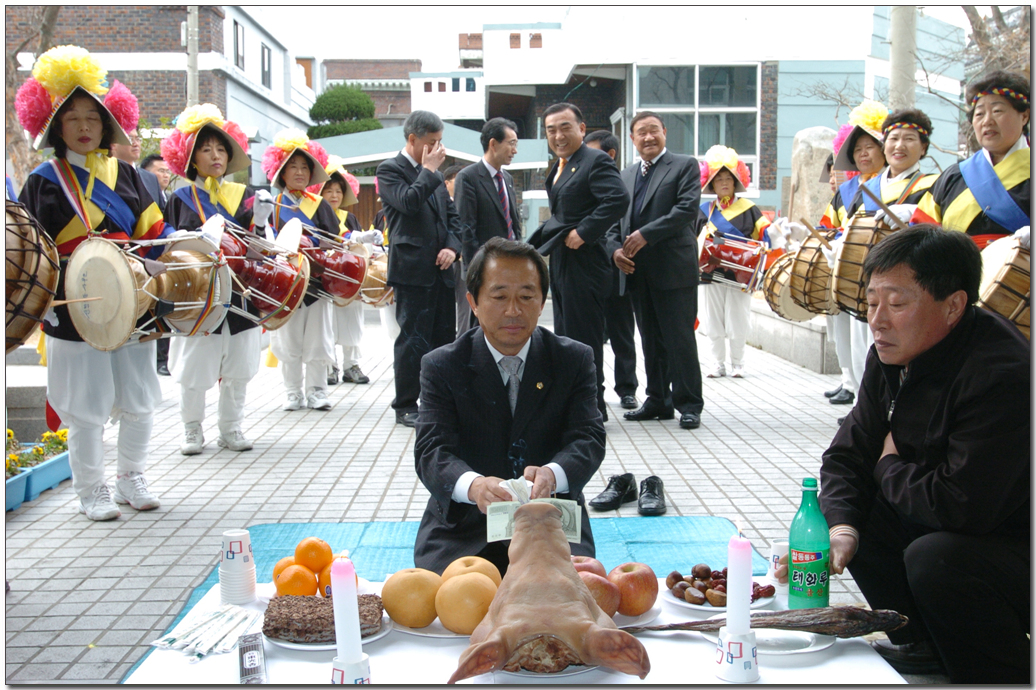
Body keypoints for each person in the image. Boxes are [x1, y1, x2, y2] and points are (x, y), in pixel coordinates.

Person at [818, 226, 1029, 682]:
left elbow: (961, 506)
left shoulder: (1000, 374)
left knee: (936, 558)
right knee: (858, 515)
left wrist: (888, 466)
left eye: (897, 304)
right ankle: (926, 644)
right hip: (955, 519)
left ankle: (1002, 671)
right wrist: (840, 528)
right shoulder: (892, 353)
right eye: (872, 301)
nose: (877, 319)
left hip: (1012, 539)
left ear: (953, 305)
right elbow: (846, 454)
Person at [16, 47, 170, 520]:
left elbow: (156, 237)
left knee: (140, 396)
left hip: (133, 301)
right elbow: (25, 250)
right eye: (73, 118)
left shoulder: (134, 178)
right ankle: (90, 489)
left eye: (94, 118)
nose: (84, 126)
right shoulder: (42, 181)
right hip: (70, 304)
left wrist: (153, 263)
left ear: (109, 125)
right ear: (55, 127)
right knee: (84, 406)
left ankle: (130, 476)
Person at [414, 237, 605, 575]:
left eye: (527, 296)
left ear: (543, 300)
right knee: (457, 604)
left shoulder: (574, 359)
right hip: (464, 526)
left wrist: (553, 474)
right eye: (499, 297)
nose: (513, 310)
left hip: (552, 520)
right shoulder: (442, 365)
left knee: (565, 601)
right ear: (473, 301)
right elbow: (432, 451)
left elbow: (588, 438)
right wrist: (473, 486)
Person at [161, 104, 264, 455]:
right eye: (205, 149)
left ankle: (231, 427)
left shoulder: (243, 196)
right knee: (194, 365)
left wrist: (261, 221)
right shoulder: (180, 197)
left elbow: (257, 247)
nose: (215, 155)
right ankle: (192, 429)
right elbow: (170, 241)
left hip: (240, 291)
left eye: (221, 148)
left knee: (240, 364)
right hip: (199, 291)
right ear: (190, 156)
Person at [528, 103, 629, 421]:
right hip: (562, 261)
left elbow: (618, 199)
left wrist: (585, 232)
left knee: (583, 339)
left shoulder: (594, 160)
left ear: (582, 129)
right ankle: (578, 403)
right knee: (567, 335)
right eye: (550, 129)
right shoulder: (562, 164)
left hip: (585, 263)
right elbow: (562, 215)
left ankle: (592, 408)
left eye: (565, 127)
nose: (558, 135)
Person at [607, 110, 705, 441]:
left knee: (679, 338)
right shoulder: (626, 174)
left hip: (674, 269)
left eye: (653, 131)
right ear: (632, 139)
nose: (648, 137)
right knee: (649, 339)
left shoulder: (684, 165)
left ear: (664, 132)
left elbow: (686, 210)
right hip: (636, 271)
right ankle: (658, 400)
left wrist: (646, 234)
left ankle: (689, 403)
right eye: (640, 133)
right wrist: (615, 251)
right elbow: (614, 222)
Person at [375, 111, 462, 427]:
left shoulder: (436, 176)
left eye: (440, 142)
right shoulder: (390, 170)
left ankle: (437, 401)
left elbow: (453, 219)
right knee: (413, 339)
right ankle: (406, 405)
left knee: (443, 339)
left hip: (441, 269)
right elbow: (408, 203)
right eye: (432, 142)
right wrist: (427, 170)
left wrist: (453, 247)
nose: (438, 149)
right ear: (412, 140)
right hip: (411, 269)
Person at [261, 129, 340, 411]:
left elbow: (335, 241)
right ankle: (293, 391)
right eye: (292, 166)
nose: (299, 172)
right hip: (285, 283)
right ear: (281, 171)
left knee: (319, 339)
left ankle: (317, 390)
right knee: (287, 339)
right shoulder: (270, 205)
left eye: (305, 167)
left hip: (317, 283)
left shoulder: (319, 204)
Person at [820, 101, 889, 407]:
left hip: (879, 271)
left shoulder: (891, 185)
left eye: (870, 146)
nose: (863, 153)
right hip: (845, 270)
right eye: (857, 148)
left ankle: (874, 400)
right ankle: (855, 387)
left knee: (874, 339)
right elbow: (827, 225)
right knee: (850, 339)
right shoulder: (846, 191)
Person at [913, 70, 1030, 243]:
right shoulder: (953, 176)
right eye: (979, 114)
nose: (987, 121)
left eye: (997, 111)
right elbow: (920, 233)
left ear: (1025, 116)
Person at [697, 145, 771, 379]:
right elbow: (695, 240)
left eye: (729, 178)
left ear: (737, 180)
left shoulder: (750, 209)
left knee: (738, 319)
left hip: (741, 273)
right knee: (713, 320)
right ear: (712, 183)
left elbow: (765, 238)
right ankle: (717, 363)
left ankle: (738, 363)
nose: (725, 182)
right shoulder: (704, 210)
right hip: (711, 273)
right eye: (720, 179)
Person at [585, 129, 639, 413]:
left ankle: (627, 389)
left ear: (611, 155)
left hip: (619, 271)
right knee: (591, 337)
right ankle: (595, 392)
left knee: (622, 333)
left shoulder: (624, 183)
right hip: (590, 272)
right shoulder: (584, 181)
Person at [454, 118, 523, 334]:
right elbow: (466, 228)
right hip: (485, 269)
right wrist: (474, 272)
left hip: (510, 266)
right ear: (493, 144)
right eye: (511, 143)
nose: (515, 150)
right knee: (481, 326)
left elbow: (513, 224)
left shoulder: (507, 179)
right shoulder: (469, 177)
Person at [314, 157, 375, 386]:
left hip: (349, 277)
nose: (334, 195)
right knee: (326, 323)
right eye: (328, 190)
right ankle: (329, 366)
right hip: (325, 276)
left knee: (352, 322)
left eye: (338, 191)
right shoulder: (315, 215)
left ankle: (352, 365)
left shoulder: (349, 218)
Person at [442, 163, 473, 336]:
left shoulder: (468, 202)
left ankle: (462, 339)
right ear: (447, 183)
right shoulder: (441, 204)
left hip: (463, 260)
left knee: (465, 304)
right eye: (458, 179)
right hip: (444, 259)